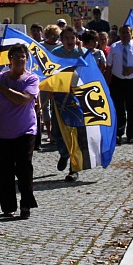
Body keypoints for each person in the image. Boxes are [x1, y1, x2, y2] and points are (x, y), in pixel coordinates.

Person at [0, 43, 40, 218]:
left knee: (24, 168)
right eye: (16, 57)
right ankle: (8, 206)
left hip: (25, 130)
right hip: (2, 132)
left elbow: (24, 100)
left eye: (23, 57)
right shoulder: (0, 79)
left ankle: (26, 205)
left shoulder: (32, 79)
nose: (20, 60)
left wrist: (3, 89)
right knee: (5, 171)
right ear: (10, 60)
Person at [51, 27, 84, 181]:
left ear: (76, 38)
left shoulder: (81, 53)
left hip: (76, 97)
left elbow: (89, 72)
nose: (69, 41)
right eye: (66, 38)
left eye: (72, 38)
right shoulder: (55, 53)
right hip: (59, 97)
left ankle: (74, 168)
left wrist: (82, 54)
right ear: (62, 40)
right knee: (57, 132)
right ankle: (64, 154)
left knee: (73, 133)